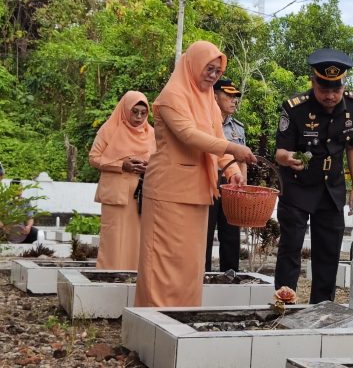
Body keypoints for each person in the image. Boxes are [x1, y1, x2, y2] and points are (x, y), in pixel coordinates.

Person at [134, 41, 256, 308]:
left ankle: (183, 319)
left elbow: (216, 136)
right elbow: (189, 136)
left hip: (199, 192)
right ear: (192, 65)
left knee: (190, 264)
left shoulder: (209, 101)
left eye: (217, 70)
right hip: (168, 192)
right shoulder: (172, 96)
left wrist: (232, 169)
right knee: (163, 263)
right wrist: (233, 148)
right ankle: (154, 321)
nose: (213, 74)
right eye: (208, 68)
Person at [274, 48, 353, 303]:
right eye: (324, 89)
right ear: (312, 81)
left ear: (343, 84)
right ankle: (283, 303)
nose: (330, 96)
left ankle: (322, 307)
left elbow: (352, 145)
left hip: (331, 189)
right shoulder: (295, 108)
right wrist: (287, 158)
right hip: (297, 187)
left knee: (328, 251)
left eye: (336, 89)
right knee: (291, 247)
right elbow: (280, 150)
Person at [89, 91, 156, 270]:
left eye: (143, 112)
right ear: (125, 109)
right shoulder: (109, 129)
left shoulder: (152, 134)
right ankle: (109, 276)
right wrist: (121, 165)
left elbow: (161, 161)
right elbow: (94, 158)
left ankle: (134, 278)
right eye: (135, 112)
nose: (139, 117)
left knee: (138, 239)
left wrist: (148, 167)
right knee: (113, 239)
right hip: (115, 194)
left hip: (142, 195)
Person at [205, 79, 245, 272]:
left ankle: (231, 276)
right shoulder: (204, 122)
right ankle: (202, 275)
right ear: (214, 96)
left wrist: (242, 189)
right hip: (208, 181)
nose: (233, 100)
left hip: (231, 184)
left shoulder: (238, 128)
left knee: (231, 233)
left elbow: (242, 160)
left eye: (235, 96)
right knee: (205, 231)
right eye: (228, 95)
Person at [6, 179, 41, 245]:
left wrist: (28, 227)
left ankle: (21, 242)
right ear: (10, 189)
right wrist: (4, 227)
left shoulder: (26, 202)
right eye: (15, 188)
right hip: (7, 230)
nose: (18, 190)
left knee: (35, 233)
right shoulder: (4, 201)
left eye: (20, 188)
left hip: (21, 231)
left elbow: (30, 218)